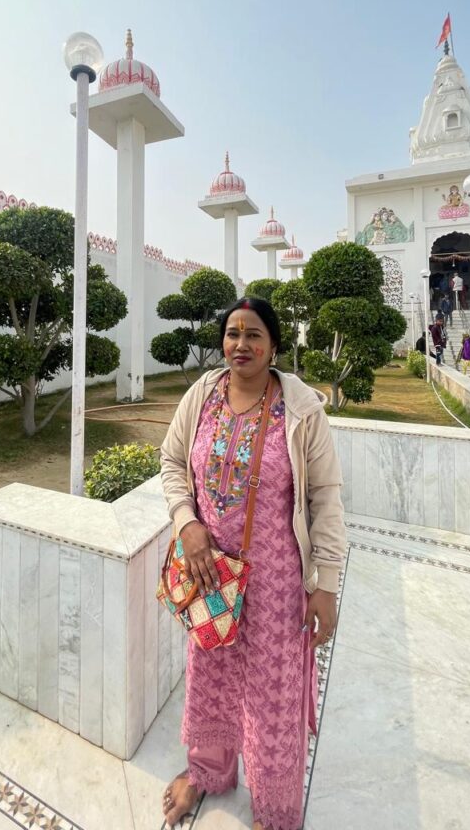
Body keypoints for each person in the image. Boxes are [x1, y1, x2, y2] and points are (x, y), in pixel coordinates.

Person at [160, 297, 347, 830]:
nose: (240, 344)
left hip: (275, 583)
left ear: (274, 345)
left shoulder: (301, 409)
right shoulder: (203, 395)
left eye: (254, 334)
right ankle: (206, 773)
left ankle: (274, 810)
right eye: (232, 333)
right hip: (209, 574)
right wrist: (185, 521)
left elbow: (327, 498)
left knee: (271, 699)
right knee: (212, 676)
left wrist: (326, 585)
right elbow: (173, 461)